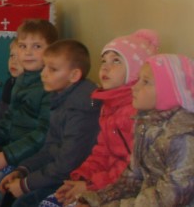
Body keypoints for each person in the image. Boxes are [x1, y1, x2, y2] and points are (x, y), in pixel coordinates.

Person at [44, 30, 159, 206]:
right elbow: (101, 151)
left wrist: (90, 185)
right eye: (103, 61)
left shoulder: (134, 113)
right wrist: (81, 177)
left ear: (136, 71)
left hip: (120, 190)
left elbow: (131, 170)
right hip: (102, 183)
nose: (105, 67)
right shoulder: (109, 104)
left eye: (116, 61)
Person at [0, 19, 58, 207]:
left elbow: (43, 134)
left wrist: (6, 156)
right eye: (23, 46)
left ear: (52, 51)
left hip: (33, 155)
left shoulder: (50, 86)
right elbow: (7, 122)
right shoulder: (20, 81)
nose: (28, 52)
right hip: (13, 148)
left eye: (37, 46)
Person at [76, 54, 194, 206]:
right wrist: (95, 199)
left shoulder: (182, 136)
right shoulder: (145, 121)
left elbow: (167, 199)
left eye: (146, 82)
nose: (134, 87)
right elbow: (133, 177)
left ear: (169, 90)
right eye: (138, 79)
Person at [0, 39, 101, 206]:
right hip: (58, 172)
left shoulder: (81, 108)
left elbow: (68, 163)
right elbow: (50, 147)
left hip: (74, 178)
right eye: (44, 66)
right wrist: (23, 170)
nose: (43, 74)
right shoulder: (61, 95)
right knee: (5, 194)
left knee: (21, 202)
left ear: (74, 75)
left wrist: (26, 184)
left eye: (52, 69)